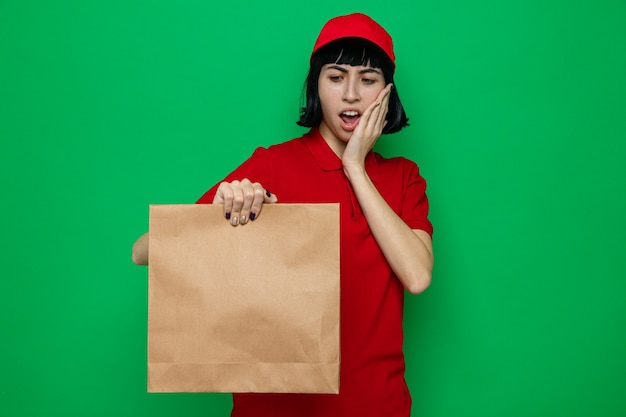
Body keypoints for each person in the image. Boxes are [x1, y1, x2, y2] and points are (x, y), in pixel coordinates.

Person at [132, 12, 433, 417]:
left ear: (386, 93)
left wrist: (356, 167)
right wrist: (229, 214)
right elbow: (144, 251)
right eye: (335, 76)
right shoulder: (271, 167)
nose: (350, 94)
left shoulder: (403, 178)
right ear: (316, 85)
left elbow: (416, 276)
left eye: (368, 79)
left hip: (377, 407)